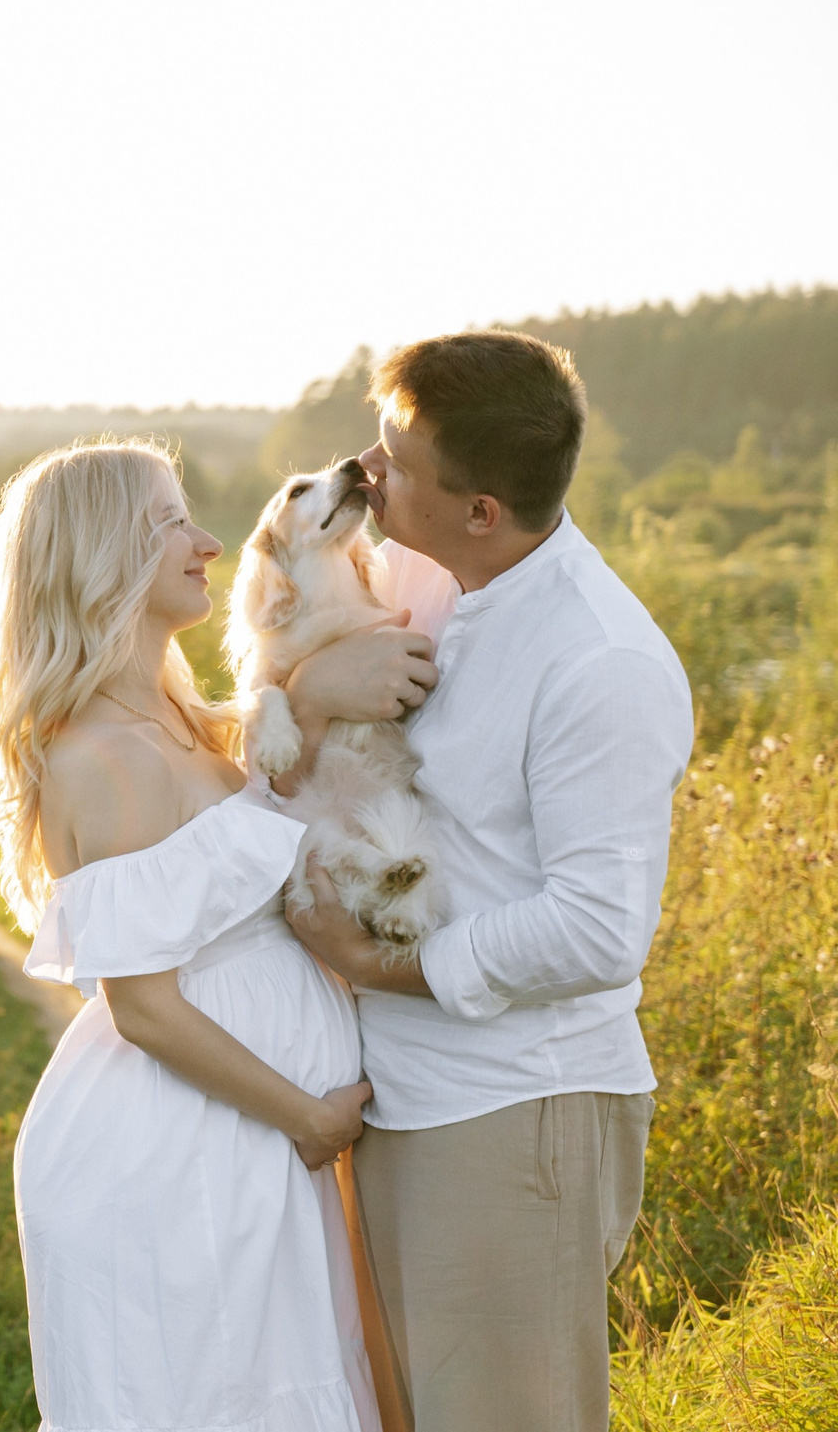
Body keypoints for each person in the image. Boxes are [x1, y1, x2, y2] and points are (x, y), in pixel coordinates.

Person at [271, 330, 694, 1430]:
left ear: (481, 509)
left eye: (397, 461)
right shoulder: (435, 579)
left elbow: (598, 929)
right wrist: (309, 691)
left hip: (514, 1112)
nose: (368, 470)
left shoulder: (599, 661)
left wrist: (379, 966)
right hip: (408, 1097)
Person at [0, 440, 384, 1432]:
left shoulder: (185, 717)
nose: (208, 543)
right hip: (183, 1154)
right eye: (170, 523)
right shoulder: (98, 754)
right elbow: (143, 1006)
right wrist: (306, 1118)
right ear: (104, 554)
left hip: (244, 1146)